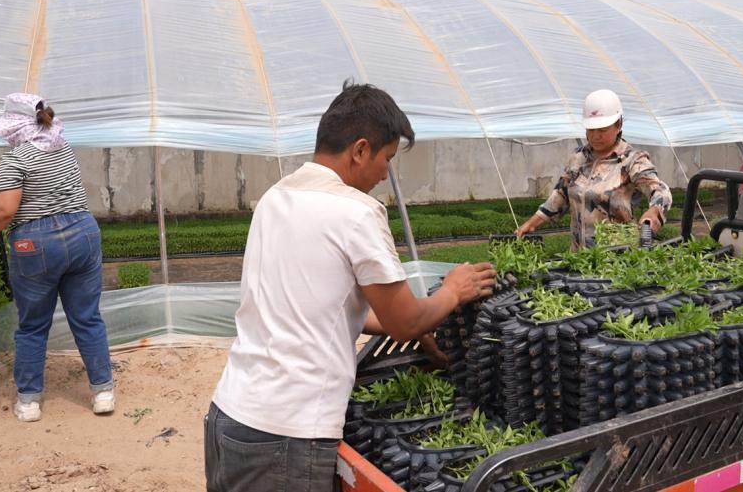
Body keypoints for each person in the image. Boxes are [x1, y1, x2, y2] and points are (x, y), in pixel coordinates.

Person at [205, 82, 496, 492]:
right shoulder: (355, 211)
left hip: (230, 416)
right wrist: (452, 291)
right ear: (360, 150)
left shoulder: (276, 197)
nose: (385, 174)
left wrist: (415, 324)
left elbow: (315, 305)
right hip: (288, 433)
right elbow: (403, 321)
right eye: (387, 159)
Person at [0, 93, 114, 423]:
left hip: (36, 243)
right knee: (88, 318)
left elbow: (5, 210)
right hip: (83, 233)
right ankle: (103, 392)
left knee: (33, 326)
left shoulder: (15, 161)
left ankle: (30, 401)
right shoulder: (63, 146)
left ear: (14, 128)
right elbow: (38, 161)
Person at [514, 89, 673, 250]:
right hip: (579, 256)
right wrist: (533, 222)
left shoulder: (632, 160)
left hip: (617, 258)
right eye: (591, 130)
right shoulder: (578, 158)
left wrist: (654, 211)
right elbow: (560, 195)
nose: (596, 136)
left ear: (618, 125)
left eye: (603, 130)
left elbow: (660, 191)